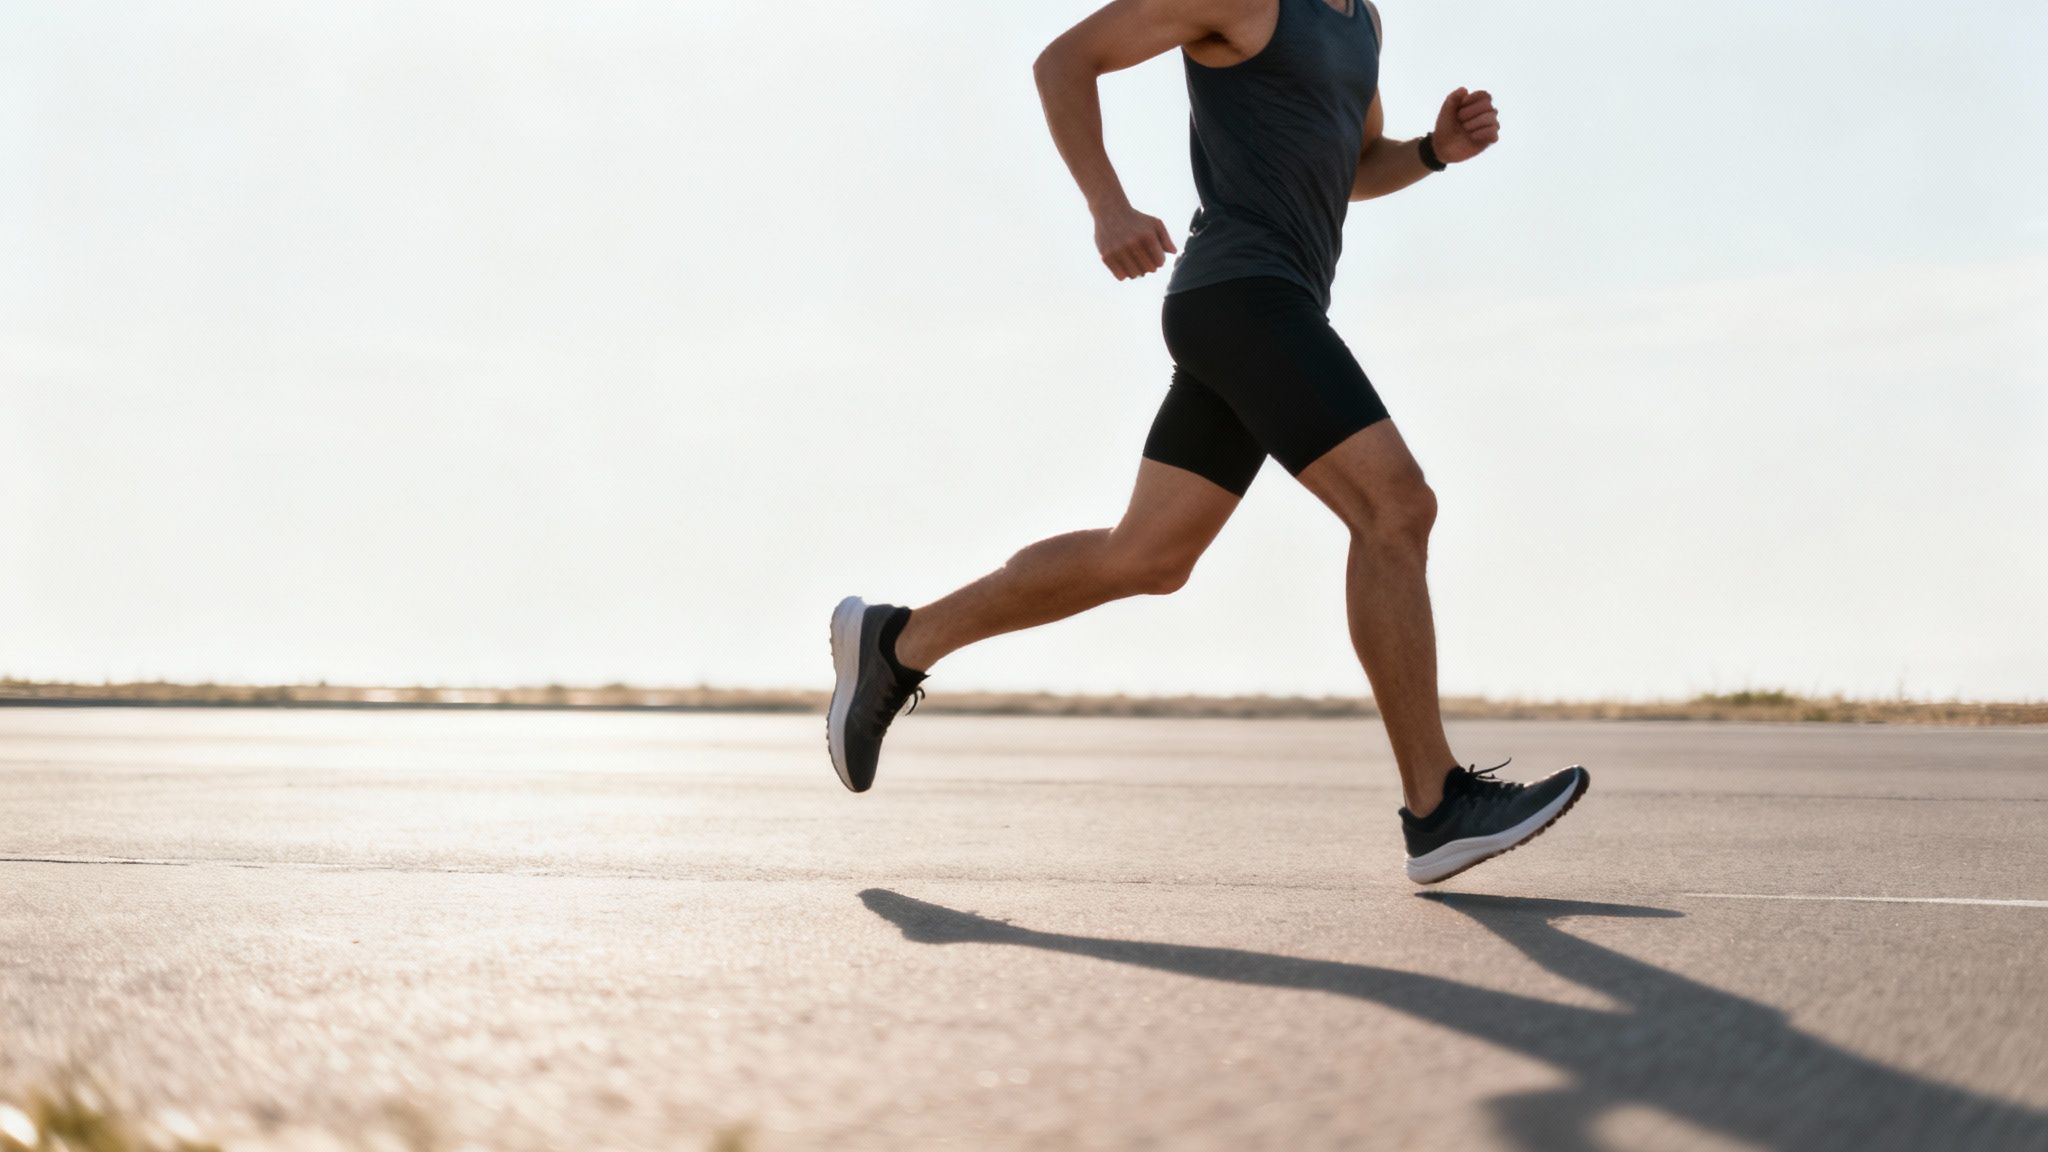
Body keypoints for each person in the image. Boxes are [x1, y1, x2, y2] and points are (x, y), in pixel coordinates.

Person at [827, 0, 1588, 884]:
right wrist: (1107, 207)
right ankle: (1437, 804)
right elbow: (1063, 61)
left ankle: (897, 643)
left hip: (1268, 307)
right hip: (1242, 298)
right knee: (1396, 505)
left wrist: (1429, 152)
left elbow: (1345, 167)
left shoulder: (1362, 20)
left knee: (1146, 556)